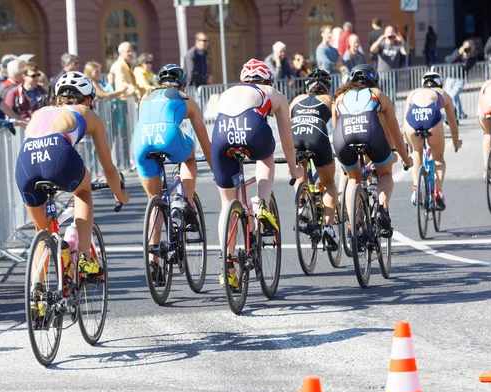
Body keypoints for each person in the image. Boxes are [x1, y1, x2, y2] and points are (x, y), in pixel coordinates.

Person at [15, 71, 129, 277]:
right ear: (88, 99)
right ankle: (85, 257)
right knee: (83, 192)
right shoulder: (86, 112)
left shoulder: (40, 113)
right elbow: (109, 168)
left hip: (25, 164)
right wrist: (120, 194)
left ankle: (37, 295)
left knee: (43, 232)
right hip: (57, 157)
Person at [211, 59, 302, 288]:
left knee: (227, 204)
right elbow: (287, 142)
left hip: (222, 137)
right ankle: (260, 203)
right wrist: (294, 169)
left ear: (244, 80)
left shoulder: (228, 91)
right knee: (265, 156)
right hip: (252, 132)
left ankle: (227, 266)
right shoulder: (272, 92)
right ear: (267, 79)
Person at [133, 64, 213, 284]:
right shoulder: (186, 100)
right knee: (190, 155)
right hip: (167, 136)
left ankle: (154, 262)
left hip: (141, 143)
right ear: (183, 84)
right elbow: (206, 144)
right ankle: (184, 202)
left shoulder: (146, 98)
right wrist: (217, 171)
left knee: (155, 200)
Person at [332, 64, 412, 238]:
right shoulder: (378, 94)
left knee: (353, 178)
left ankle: (354, 224)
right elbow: (395, 134)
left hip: (343, 139)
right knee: (385, 174)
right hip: (371, 135)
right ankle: (382, 209)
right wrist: (406, 159)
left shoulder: (339, 98)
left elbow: (335, 127)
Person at [290, 69, 339, 249]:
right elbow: (337, 127)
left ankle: (302, 203)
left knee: (300, 170)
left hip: (295, 136)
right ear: (327, 87)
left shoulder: (296, 100)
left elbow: (289, 122)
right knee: (328, 183)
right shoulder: (329, 100)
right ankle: (328, 227)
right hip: (317, 136)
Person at [403, 72, 461, 210]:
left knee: (417, 151)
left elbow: (405, 122)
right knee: (438, 157)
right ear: (440, 84)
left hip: (413, 119)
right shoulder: (442, 93)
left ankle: (416, 189)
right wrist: (455, 141)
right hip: (431, 117)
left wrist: (407, 146)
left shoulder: (413, 93)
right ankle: (438, 191)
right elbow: (452, 122)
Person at [444, 40, 477, 121]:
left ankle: (454, 113)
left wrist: (467, 57)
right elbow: (449, 60)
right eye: (466, 48)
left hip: (460, 79)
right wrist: (459, 53)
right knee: (453, 96)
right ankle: (459, 113)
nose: (467, 50)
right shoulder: (457, 52)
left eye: (470, 48)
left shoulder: (472, 57)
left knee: (453, 95)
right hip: (450, 78)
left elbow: (467, 67)